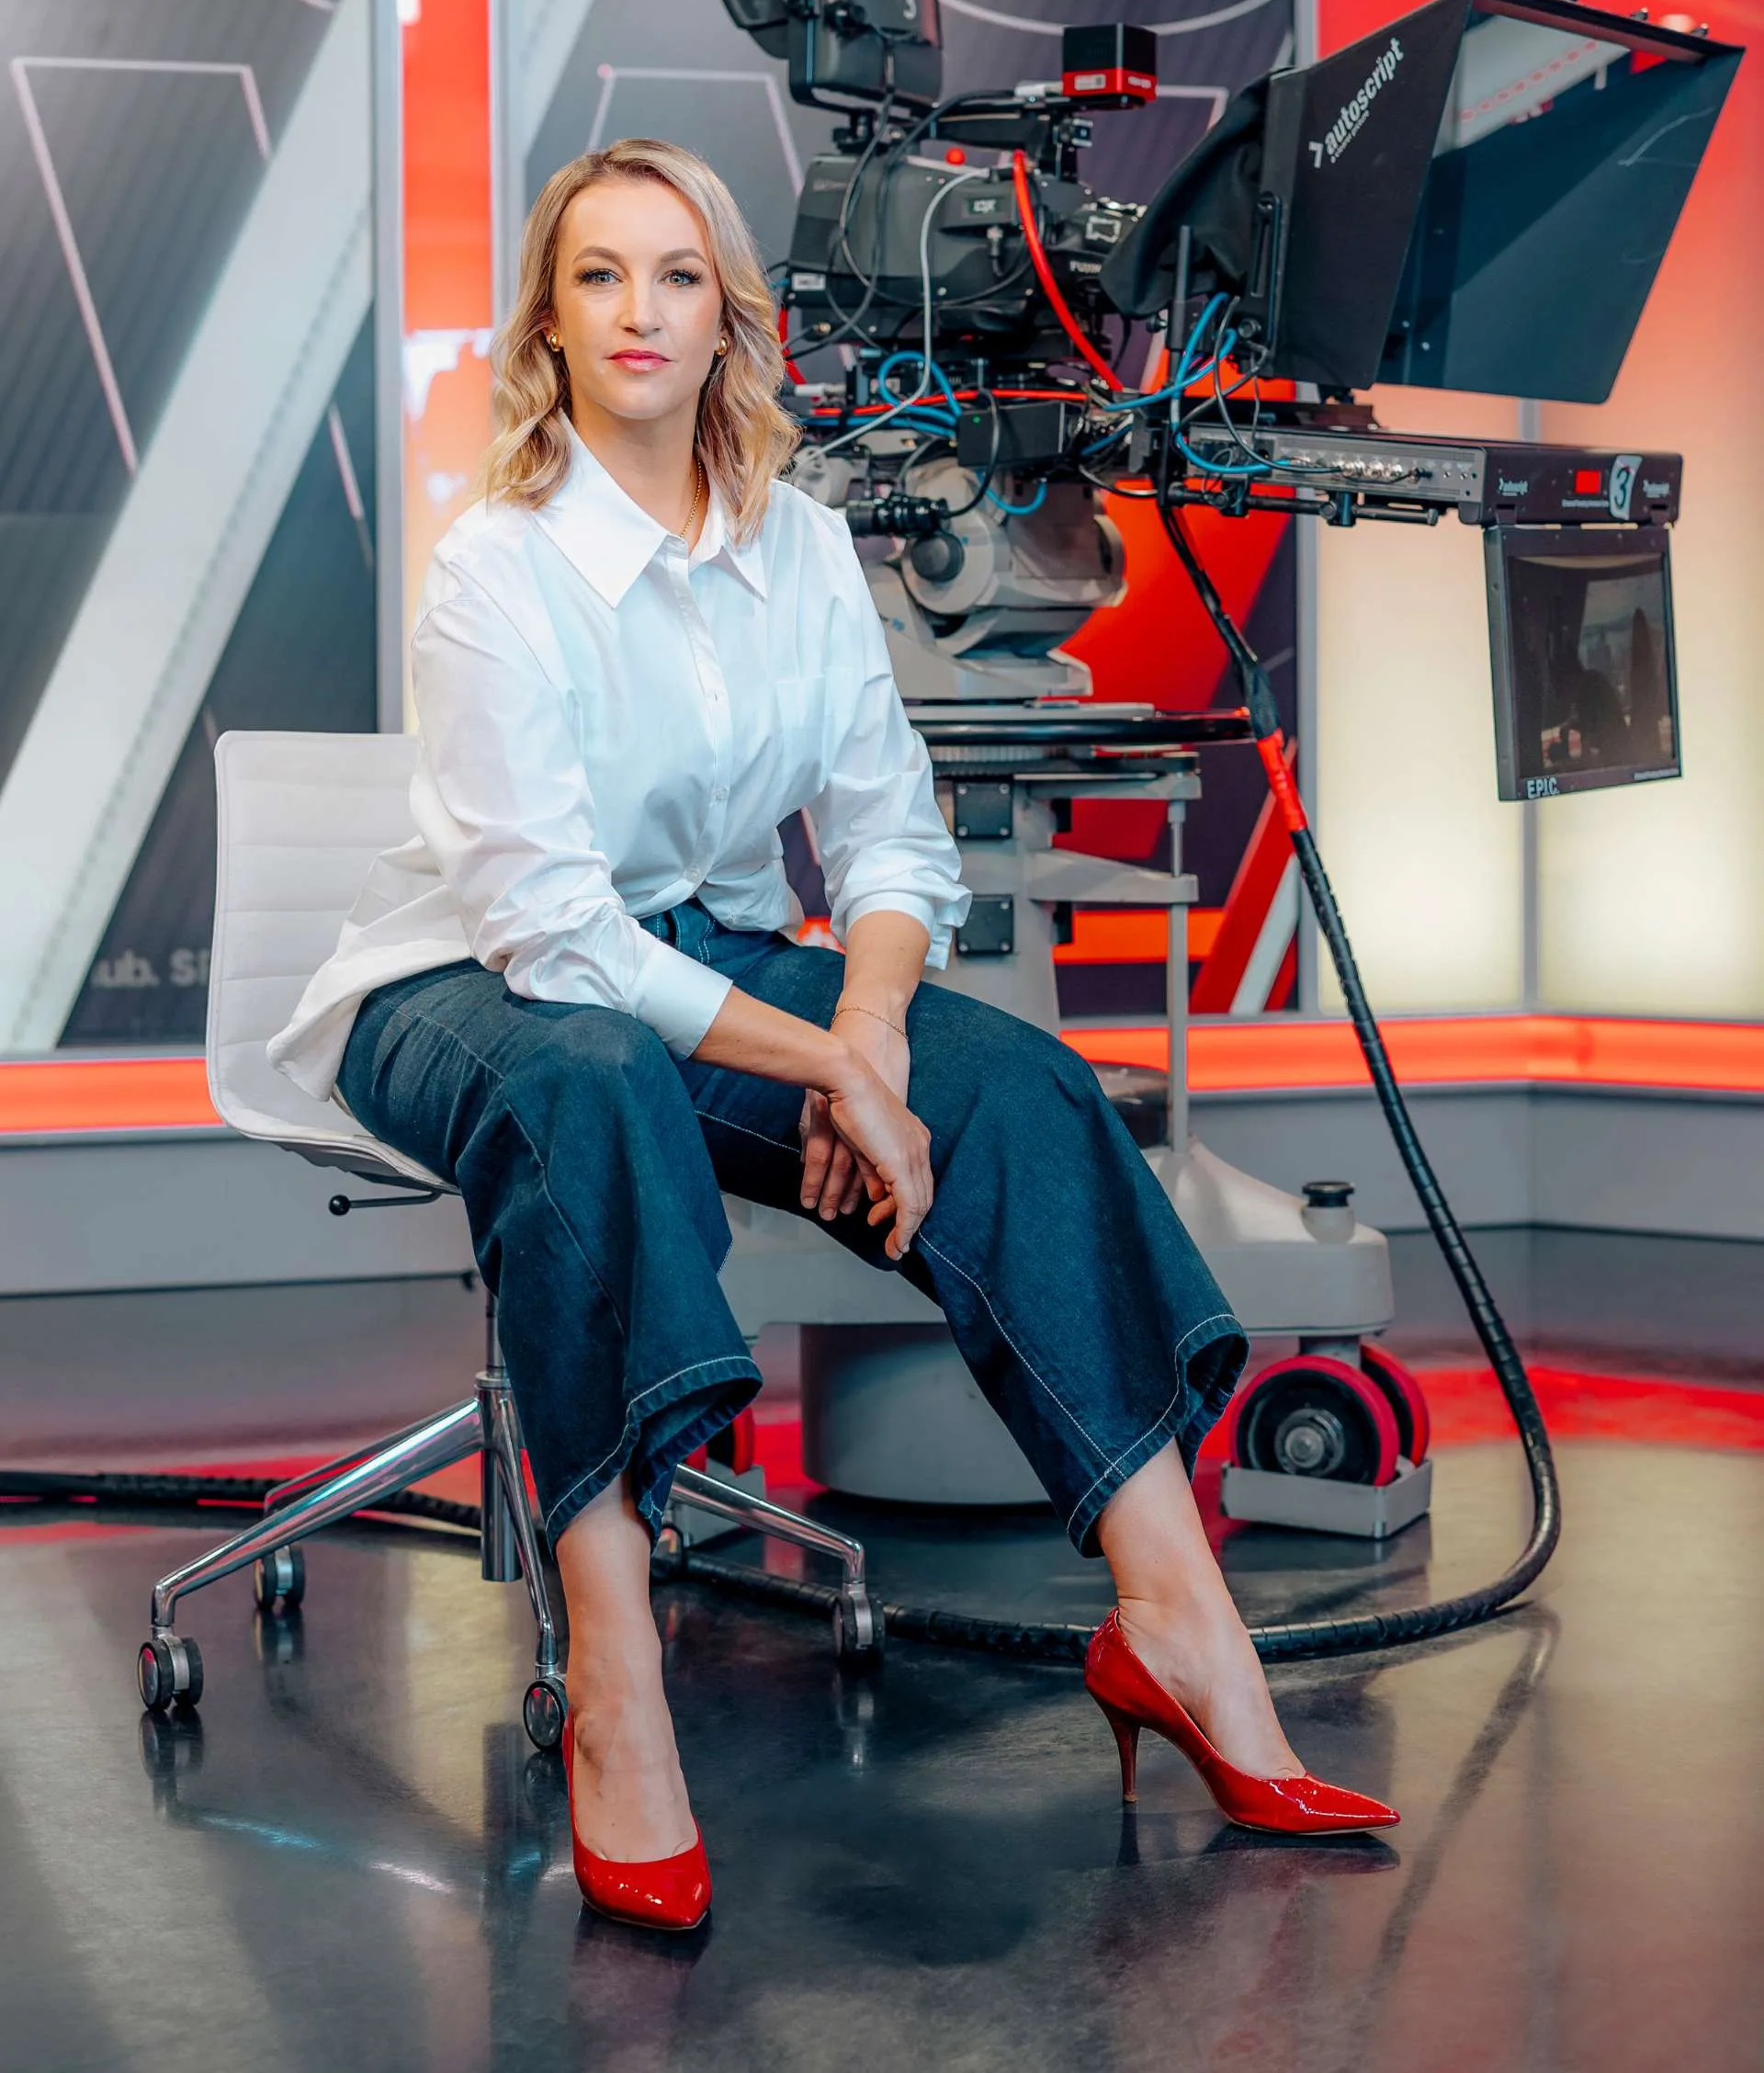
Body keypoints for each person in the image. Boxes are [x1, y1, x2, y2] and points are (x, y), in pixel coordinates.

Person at [271, 138, 1396, 1931]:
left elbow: (888, 835)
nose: (640, 311)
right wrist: (823, 1068)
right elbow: (551, 933)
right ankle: (618, 1653)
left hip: (704, 957)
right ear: (550, 329)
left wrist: (869, 1025)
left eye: (677, 275)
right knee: (592, 1075)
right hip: (450, 986)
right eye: (598, 277)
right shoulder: (499, 567)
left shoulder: (794, 545)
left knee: (1014, 1081)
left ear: (728, 318)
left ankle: (1176, 1619)